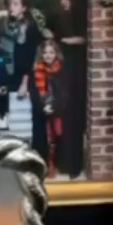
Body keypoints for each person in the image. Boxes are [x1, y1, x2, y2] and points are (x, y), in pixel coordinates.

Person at [54, 0, 87, 178]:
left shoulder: (78, 17)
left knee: (74, 118)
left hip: (76, 72)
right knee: (63, 117)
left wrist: (66, 41)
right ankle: (63, 163)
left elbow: (83, 39)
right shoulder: (60, 18)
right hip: (63, 71)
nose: (64, 1)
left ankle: (75, 165)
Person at [2, 0, 41, 145]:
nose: (12, 7)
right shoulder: (4, 25)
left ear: (24, 8)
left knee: (24, 116)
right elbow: (1, 49)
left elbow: (32, 56)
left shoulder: (30, 27)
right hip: (9, 75)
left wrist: (25, 82)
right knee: (11, 118)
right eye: (10, 4)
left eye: (16, 4)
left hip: (26, 77)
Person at [31, 33, 66, 177]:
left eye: (51, 52)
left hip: (57, 110)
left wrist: (54, 107)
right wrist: (42, 106)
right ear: (41, 54)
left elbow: (65, 92)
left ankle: (55, 164)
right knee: (42, 139)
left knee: (56, 137)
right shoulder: (36, 70)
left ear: (56, 54)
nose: (48, 55)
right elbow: (33, 92)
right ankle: (42, 165)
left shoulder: (62, 70)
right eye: (45, 53)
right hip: (41, 110)